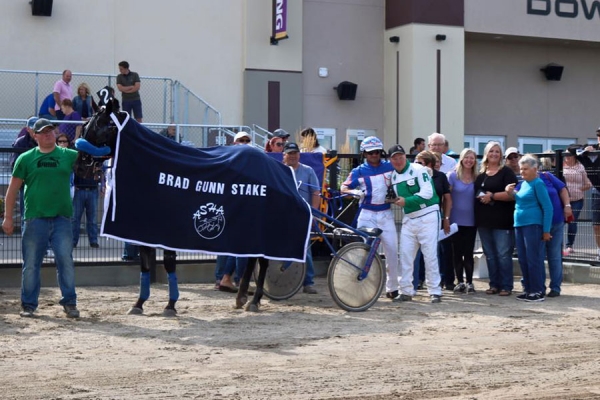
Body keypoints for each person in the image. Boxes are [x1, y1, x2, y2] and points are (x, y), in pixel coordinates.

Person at [2, 118, 80, 318]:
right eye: (43, 132)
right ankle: (28, 305)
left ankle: (70, 302)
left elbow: (94, 158)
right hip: (35, 218)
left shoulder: (68, 155)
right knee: (31, 264)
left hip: (62, 219)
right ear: (34, 136)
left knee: (66, 261)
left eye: (51, 131)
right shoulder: (25, 158)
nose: (48, 135)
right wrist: (8, 217)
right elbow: (12, 190)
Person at [340, 136, 401, 299]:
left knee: (392, 251)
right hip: (366, 215)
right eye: (370, 152)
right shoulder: (358, 171)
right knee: (363, 252)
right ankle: (362, 286)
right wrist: (353, 192)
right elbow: (343, 188)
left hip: (386, 214)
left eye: (376, 152)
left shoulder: (390, 167)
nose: (374, 155)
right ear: (364, 154)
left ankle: (393, 288)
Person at [389, 145, 443, 303]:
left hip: (428, 215)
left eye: (400, 157)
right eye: (394, 158)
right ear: (391, 160)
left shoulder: (418, 169)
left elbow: (428, 193)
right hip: (409, 217)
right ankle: (405, 290)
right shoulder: (393, 176)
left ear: (405, 156)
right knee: (405, 255)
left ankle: (435, 290)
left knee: (430, 254)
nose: (398, 160)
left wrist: (407, 201)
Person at [506, 154, 553, 303]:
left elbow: (548, 207)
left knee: (534, 259)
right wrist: (511, 193)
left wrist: (546, 230)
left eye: (525, 169)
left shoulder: (537, 183)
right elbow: (521, 199)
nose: (522, 172)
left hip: (533, 225)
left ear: (535, 169)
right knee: (523, 259)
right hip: (519, 224)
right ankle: (528, 289)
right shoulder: (524, 183)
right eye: (521, 169)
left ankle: (537, 290)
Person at [474, 141, 518, 296]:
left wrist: (492, 196)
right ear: (486, 153)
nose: (494, 154)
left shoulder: (506, 172)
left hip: (503, 220)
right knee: (490, 255)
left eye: (497, 151)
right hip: (484, 220)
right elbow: (476, 191)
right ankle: (494, 284)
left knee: (503, 254)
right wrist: (483, 197)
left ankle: (506, 286)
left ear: (501, 155)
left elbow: (512, 195)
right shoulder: (480, 173)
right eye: (491, 151)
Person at [283, 142, 321, 293]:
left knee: (305, 248)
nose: (292, 156)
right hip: (282, 216)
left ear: (299, 154)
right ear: (284, 155)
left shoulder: (308, 171)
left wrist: (314, 215)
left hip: (303, 214)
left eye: (295, 153)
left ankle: (308, 282)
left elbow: (315, 193)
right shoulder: (279, 170)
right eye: (289, 153)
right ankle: (283, 279)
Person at [447, 148, 478, 294]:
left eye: (472, 158)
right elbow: (446, 198)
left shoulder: (477, 177)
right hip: (455, 220)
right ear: (461, 159)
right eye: (466, 157)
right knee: (457, 252)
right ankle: (459, 281)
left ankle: (470, 282)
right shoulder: (452, 176)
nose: (469, 160)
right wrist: (445, 217)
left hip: (472, 220)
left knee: (468, 252)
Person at [575, 129, 600, 260]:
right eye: (598, 135)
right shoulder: (593, 150)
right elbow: (573, 149)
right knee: (596, 225)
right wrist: (585, 148)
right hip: (597, 191)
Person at [11, 117, 39, 232]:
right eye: (33, 129)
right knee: (26, 216)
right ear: (27, 129)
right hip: (26, 186)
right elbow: (14, 164)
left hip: (43, 185)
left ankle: (45, 247)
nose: (35, 132)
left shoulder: (46, 141)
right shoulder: (20, 142)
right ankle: (26, 245)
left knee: (45, 217)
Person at [562, 147, 591, 256]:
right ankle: (558, 245)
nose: (566, 158)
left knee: (572, 221)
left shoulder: (580, 167)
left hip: (577, 199)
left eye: (568, 156)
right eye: (565, 156)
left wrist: (579, 189)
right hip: (563, 199)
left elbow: (588, 184)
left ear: (574, 157)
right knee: (560, 221)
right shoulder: (562, 166)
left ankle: (569, 245)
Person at [71, 164, 100, 249]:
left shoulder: (95, 158)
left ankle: (93, 241)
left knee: (92, 219)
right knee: (75, 218)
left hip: (92, 190)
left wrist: (102, 185)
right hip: (79, 190)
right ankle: (73, 241)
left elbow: (101, 172)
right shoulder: (78, 157)